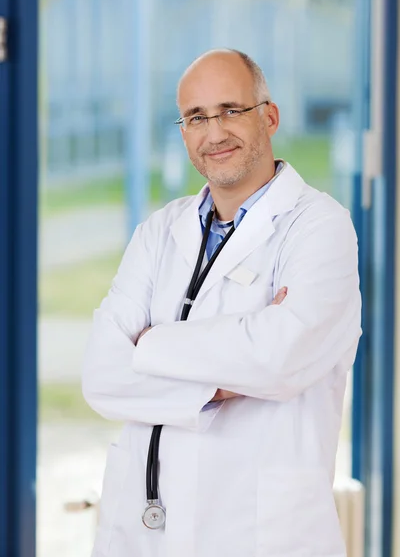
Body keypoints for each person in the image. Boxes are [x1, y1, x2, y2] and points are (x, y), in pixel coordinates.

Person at [82, 48, 362, 557]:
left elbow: (281, 358)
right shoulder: (158, 232)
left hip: (260, 532)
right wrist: (226, 379)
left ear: (269, 117)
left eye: (232, 110)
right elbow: (101, 375)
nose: (215, 133)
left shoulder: (320, 227)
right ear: (184, 131)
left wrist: (150, 344)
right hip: (143, 532)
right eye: (196, 118)